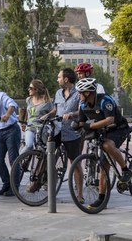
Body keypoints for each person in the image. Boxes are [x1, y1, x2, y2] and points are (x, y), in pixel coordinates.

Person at [74, 77, 131, 209]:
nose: (78, 95)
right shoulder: (83, 105)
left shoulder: (105, 101)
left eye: (80, 92)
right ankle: (101, 199)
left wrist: (92, 126)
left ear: (87, 93)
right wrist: (76, 124)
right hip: (104, 131)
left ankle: (126, 170)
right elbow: (82, 122)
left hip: (119, 128)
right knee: (103, 166)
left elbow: (110, 120)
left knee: (106, 145)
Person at [44, 68, 83, 201]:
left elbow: (81, 111)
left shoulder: (79, 94)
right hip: (58, 130)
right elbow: (56, 109)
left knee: (75, 163)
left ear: (66, 79)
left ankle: (79, 194)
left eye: (59, 77)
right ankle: (41, 184)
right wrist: (48, 115)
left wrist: (72, 114)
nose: (57, 79)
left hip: (72, 132)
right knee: (47, 157)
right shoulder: (58, 93)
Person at [21, 79, 53, 154]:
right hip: (30, 127)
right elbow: (27, 113)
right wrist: (24, 123)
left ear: (36, 90)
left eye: (30, 88)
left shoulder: (47, 102)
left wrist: (47, 115)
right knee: (29, 145)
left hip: (42, 129)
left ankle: (43, 164)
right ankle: (18, 162)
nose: (28, 89)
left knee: (44, 149)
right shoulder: (28, 100)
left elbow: (54, 111)